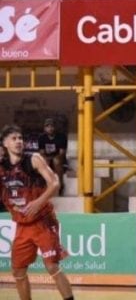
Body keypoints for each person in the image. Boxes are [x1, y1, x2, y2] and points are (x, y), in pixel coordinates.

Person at [0, 125, 73, 300]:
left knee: (52, 266)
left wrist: (38, 202)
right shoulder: (2, 166)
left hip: (43, 220)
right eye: (13, 138)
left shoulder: (34, 159)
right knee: (18, 271)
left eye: (20, 138)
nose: (18, 141)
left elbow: (54, 183)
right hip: (22, 224)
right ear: (4, 144)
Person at [36, 118, 68, 196]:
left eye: (52, 126)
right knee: (43, 161)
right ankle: (44, 185)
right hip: (47, 157)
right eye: (48, 126)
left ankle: (60, 185)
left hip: (58, 157)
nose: (50, 128)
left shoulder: (61, 136)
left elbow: (62, 153)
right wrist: (47, 159)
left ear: (55, 127)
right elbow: (42, 152)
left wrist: (53, 158)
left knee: (56, 161)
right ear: (44, 128)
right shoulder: (41, 138)